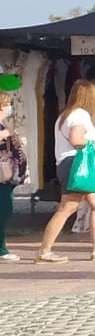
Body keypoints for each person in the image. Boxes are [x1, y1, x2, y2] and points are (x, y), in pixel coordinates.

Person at [37, 79, 95, 263]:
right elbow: (76, 140)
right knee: (68, 207)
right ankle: (44, 250)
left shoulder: (65, 115)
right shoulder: (80, 115)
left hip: (71, 163)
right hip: (78, 163)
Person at [0, 91, 28, 262]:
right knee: (4, 209)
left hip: (7, 175)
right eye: (6, 105)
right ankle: (1, 249)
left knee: (6, 209)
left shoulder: (3, 124)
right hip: (2, 175)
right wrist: (6, 135)